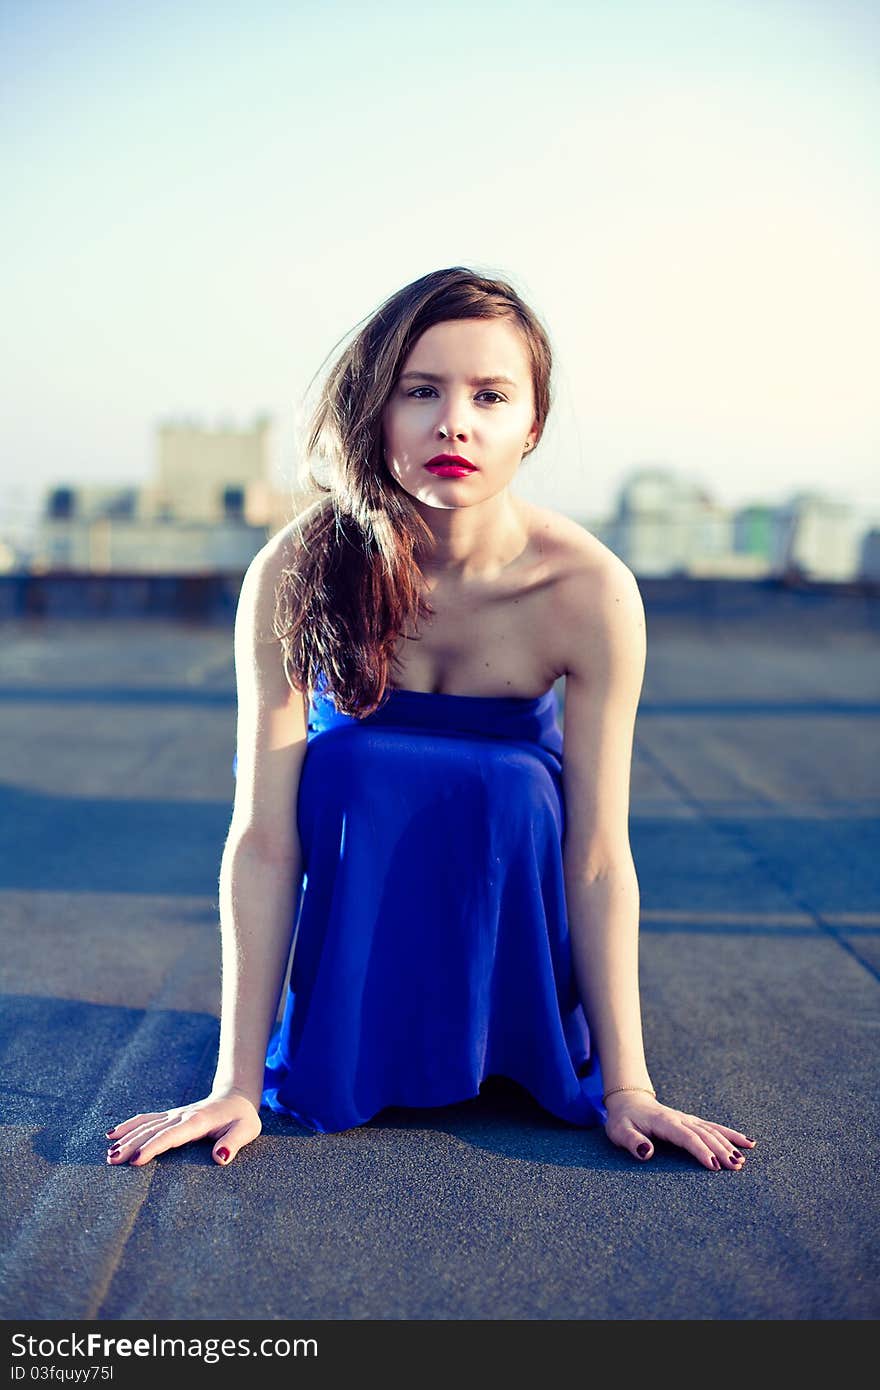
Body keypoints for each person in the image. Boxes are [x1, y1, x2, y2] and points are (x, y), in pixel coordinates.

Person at [104, 266, 755, 1172]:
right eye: (421, 391)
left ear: (531, 425)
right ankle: (345, 1027)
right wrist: (236, 1084)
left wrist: (628, 1086)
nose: (454, 422)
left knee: (522, 786)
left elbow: (600, 853)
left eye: (490, 395)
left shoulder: (589, 590)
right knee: (349, 767)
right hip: (348, 965)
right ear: (375, 411)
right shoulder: (298, 569)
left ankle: (509, 1036)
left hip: (514, 944)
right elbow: (261, 838)